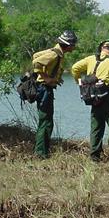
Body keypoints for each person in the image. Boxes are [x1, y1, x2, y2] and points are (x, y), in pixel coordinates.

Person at [71, 40, 109, 164]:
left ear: (101, 48)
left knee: (96, 126)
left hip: (94, 98)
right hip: (107, 96)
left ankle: (94, 155)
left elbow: (75, 68)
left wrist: (78, 81)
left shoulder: (90, 59)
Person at [32, 30, 77, 159]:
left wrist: (55, 77)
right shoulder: (54, 54)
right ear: (68, 45)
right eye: (73, 45)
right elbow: (37, 63)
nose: (74, 47)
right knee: (46, 122)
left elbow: (35, 55)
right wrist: (46, 78)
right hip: (44, 89)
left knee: (45, 121)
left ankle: (42, 151)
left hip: (44, 89)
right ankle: (41, 153)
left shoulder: (55, 52)